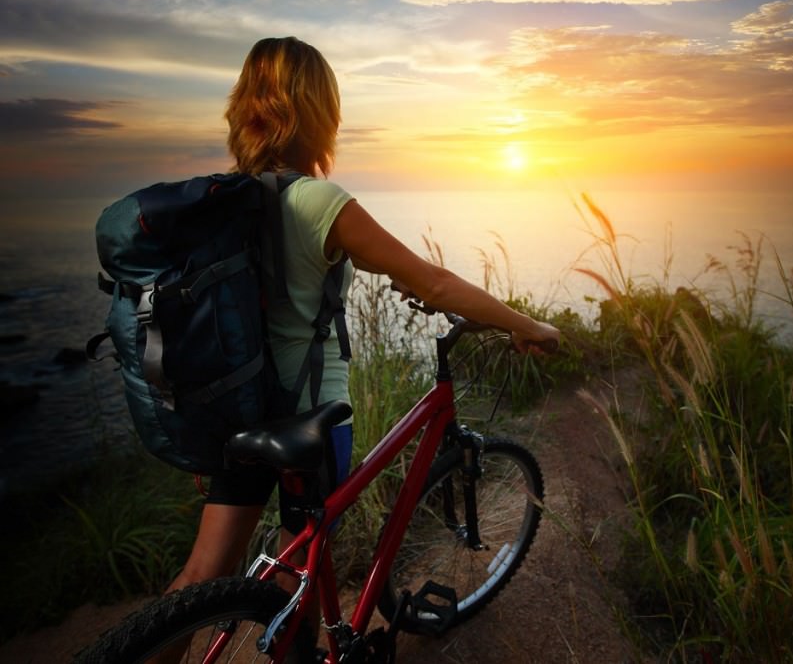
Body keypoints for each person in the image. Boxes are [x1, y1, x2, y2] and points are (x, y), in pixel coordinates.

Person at [164, 36, 560, 597]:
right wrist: (527, 324)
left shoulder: (231, 200)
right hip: (311, 419)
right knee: (300, 571)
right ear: (317, 111)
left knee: (202, 574)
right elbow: (437, 282)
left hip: (241, 409)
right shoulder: (320, 202)